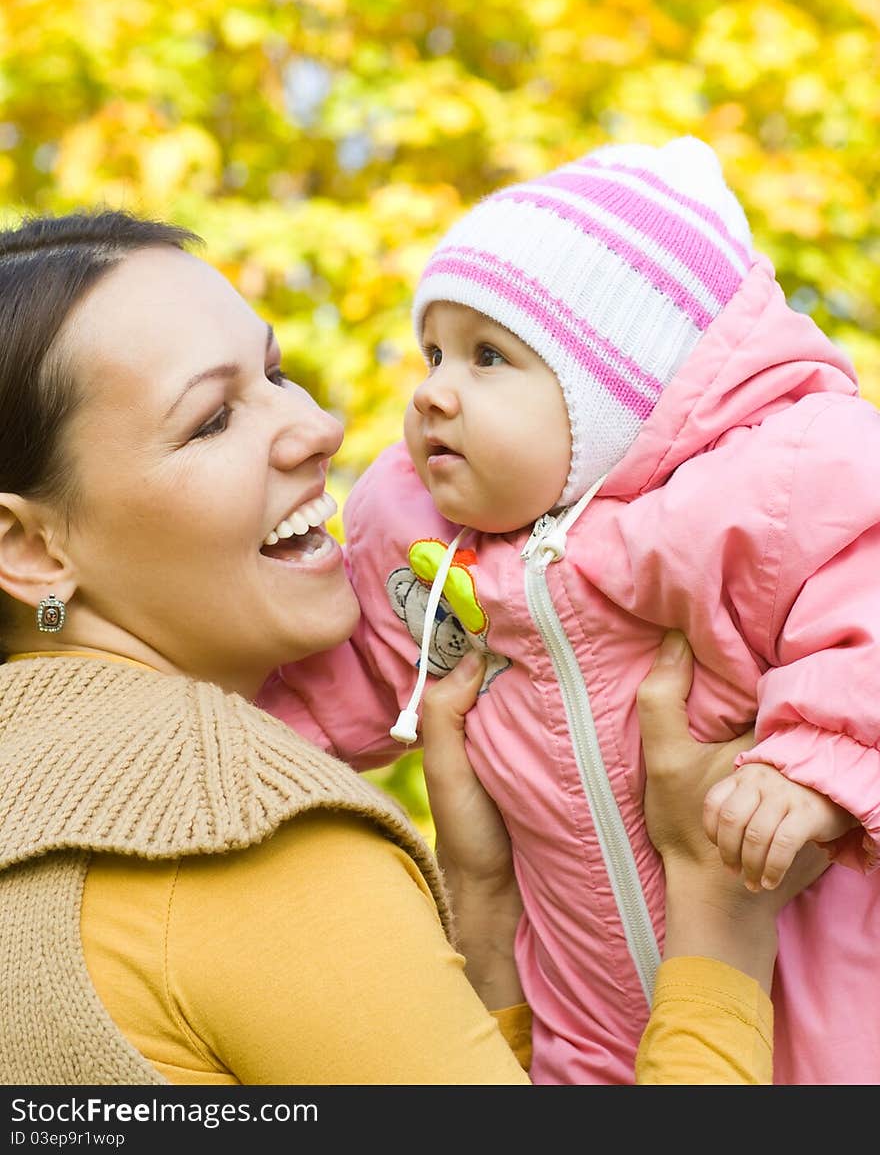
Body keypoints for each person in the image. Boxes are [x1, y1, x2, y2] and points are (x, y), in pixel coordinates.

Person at [0, 208, 812, 1088]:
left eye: (276, 372)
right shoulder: (237, 829)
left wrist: (482, 910)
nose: (321, 425)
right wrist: (718, 921)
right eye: (211, 420)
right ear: (32, 549)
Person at [258, 136, 880, 1086]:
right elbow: (344, 677)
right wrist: (239, 745)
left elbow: (861, 609)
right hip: (579, 1034)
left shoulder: (763, 492)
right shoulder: (427, 550)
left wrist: (815, 763)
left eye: (488, 356)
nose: (431, 390)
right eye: (433, 351)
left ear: (619, 395)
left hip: (811, 1002)